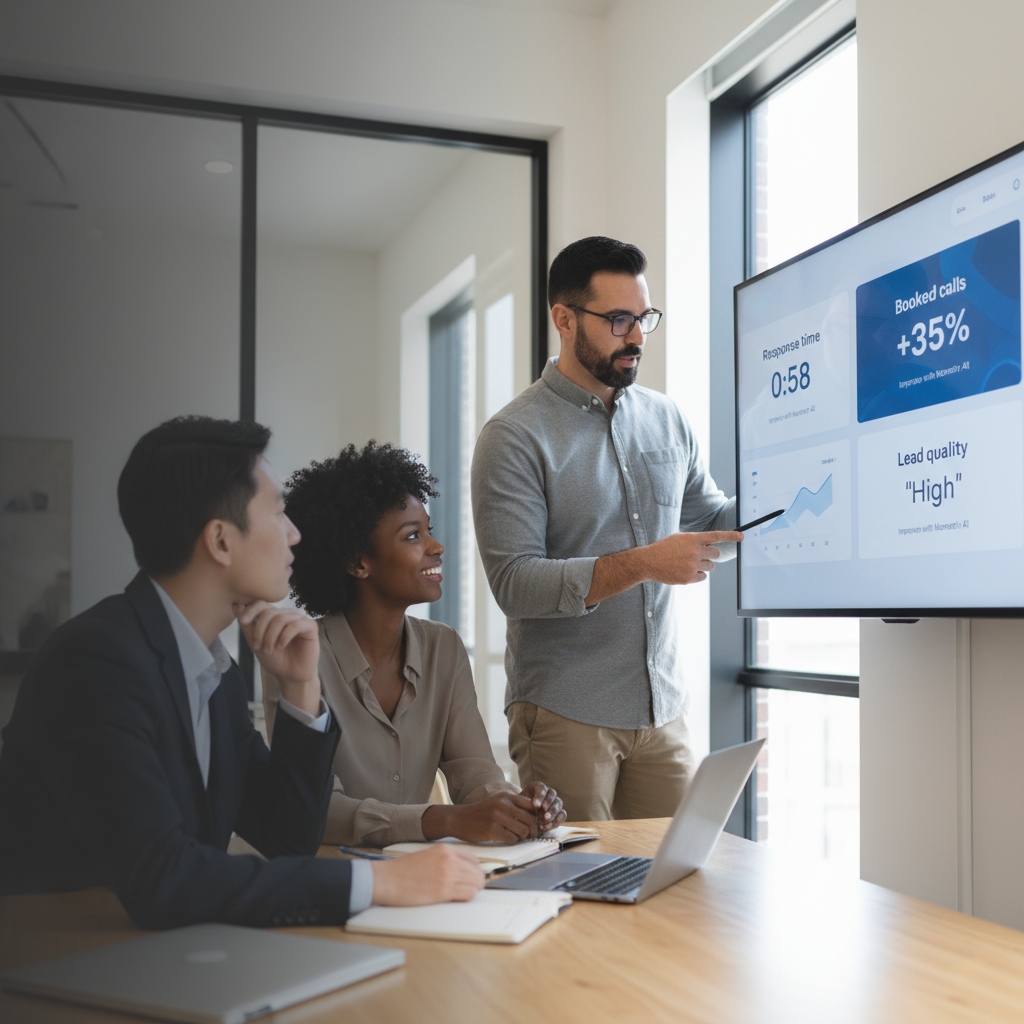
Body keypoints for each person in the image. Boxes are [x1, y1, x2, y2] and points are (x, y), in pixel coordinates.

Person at [0, 416, 483, 929]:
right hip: (51, 948)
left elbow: (287, 838)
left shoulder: (215, 672)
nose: (295, 534)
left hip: (161, 952)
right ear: (221, 541)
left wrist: (301, 689)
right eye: (277, 512)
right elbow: (166, 879)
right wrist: (382, 883)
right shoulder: (96, 663)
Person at [471, 236, 743, 822]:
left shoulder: (668, 418)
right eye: (619, 320)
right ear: (564, 320)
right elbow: (515, 584)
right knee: (576, 891)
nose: (638, 336)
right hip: (567, 713)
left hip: (663, 710)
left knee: (675, 887)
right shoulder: (513, 437)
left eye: (643, 317)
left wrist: (782, 492)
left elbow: (712, 522)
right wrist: (645, 563)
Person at [263, 441, 566, 848]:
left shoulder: (445, 648)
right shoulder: (297, 656)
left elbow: (473, 770)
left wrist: (510, 805)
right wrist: (441, 820)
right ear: (358, 562)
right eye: (412, 536)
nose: (436, 547)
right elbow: (315, 809)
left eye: (430, 532)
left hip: (417, 879)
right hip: (327, 884)